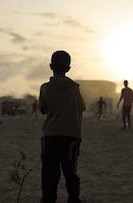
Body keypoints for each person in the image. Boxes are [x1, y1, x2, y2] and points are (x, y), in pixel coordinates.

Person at [39, 50, 85, 203]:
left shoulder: (45, 88)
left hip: (51, 135)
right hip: (71, 136)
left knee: (49, 176)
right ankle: (73, 199)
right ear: (69, 68)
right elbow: (81, 108)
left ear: (50, 66)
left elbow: (43, 109)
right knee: (70, 173)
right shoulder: (74, 88)